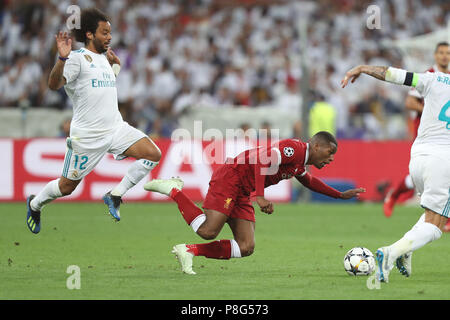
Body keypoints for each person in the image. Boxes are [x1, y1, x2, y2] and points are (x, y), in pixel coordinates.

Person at [143, 131, 365, 274]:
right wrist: (260, 196)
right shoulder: (295, 149)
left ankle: (189, 251)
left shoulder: (300, 163)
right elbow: (262, 160)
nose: (331, 158)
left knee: (246, 246)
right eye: (330, 152)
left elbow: (309, 182)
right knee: (208, 231)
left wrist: (339, 195)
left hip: (244, 189)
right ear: (316, 146)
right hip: (232, 177)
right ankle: (173, 190)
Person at [26, 8, 161, 234]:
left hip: (116, 129)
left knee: (153, 154)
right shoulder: (76, 59)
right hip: (87, 137)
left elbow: (102, 85)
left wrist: (116, 65)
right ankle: (34, 204)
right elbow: (53, 85)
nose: (109, 37)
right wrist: (61, 59)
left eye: (110, 32)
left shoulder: (103, 59)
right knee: (66, 187)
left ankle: (115, 195)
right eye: (104, 33)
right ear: (89, 34)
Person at [341, 63, 450, 282]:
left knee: (433, 213)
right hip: (444, 160)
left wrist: (362, 68)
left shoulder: (435, 79)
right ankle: (391, 253)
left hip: (418, 156)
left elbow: (393, 75)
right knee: (436, 225)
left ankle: (406, 251)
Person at [383, 42, 449, 218]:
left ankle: (444, 215)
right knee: (425, 175)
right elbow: (410, 102)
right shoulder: (429, 76)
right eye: (441, 52)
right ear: (435, 55)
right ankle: (395, 194)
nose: (444, 56)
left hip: (445, 134)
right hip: (427, 133)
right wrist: (433, 110)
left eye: (448, 53)